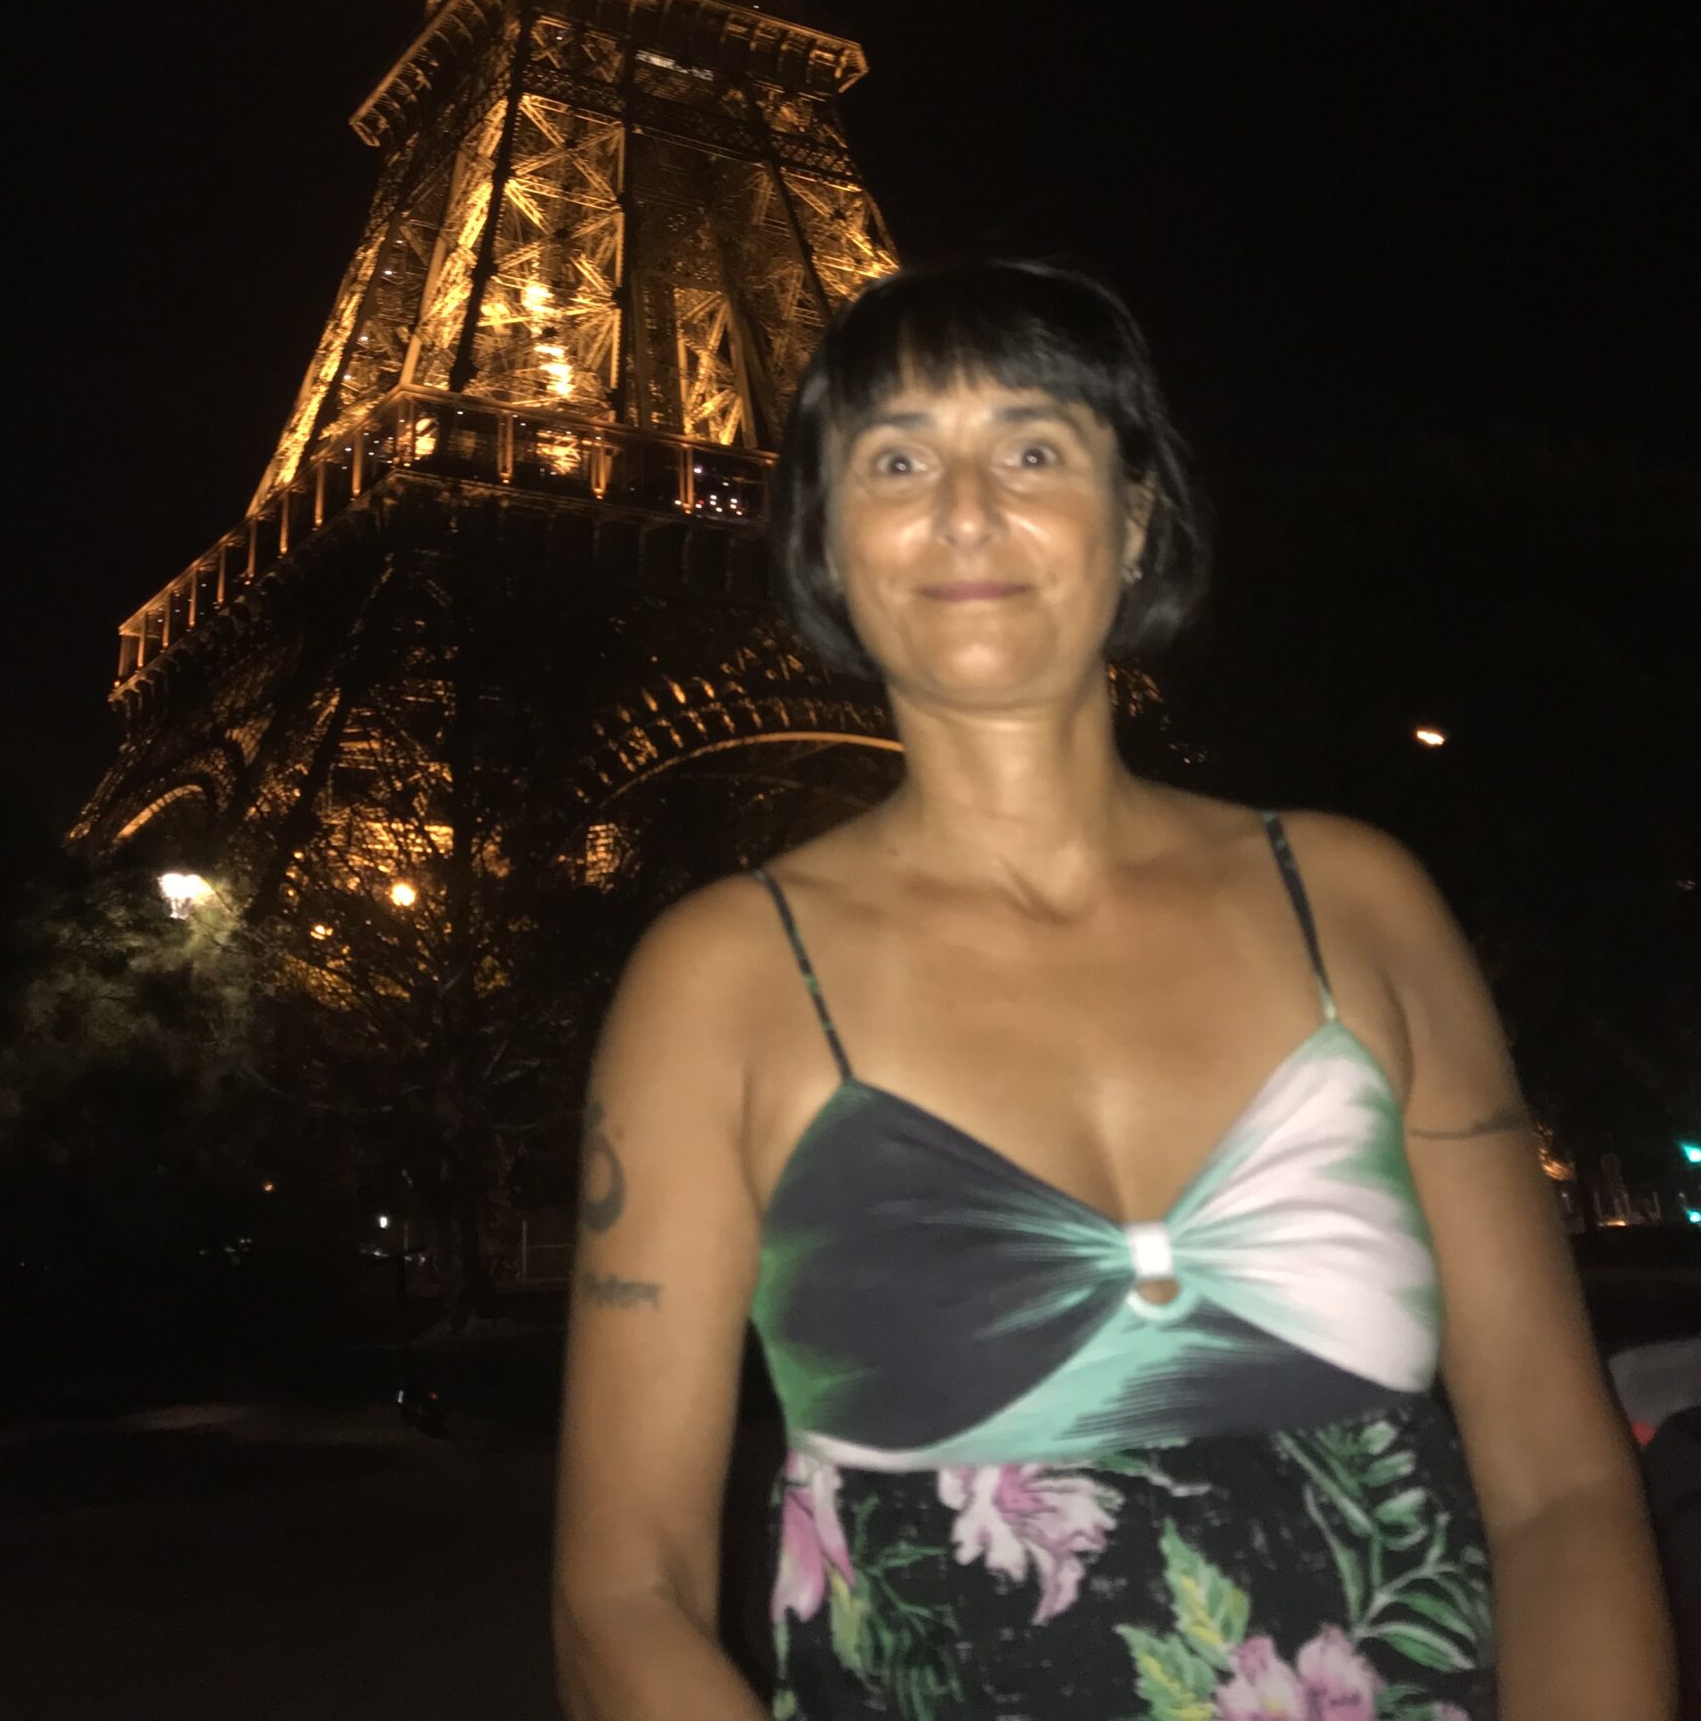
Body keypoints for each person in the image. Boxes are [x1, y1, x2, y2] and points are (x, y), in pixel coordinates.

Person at [552, 259, 1673, 1718]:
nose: (966, 511)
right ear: (825, 541)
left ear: (1136, 516)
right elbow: (622, 1595)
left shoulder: (1358, 907)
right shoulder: (723, 983)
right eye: (898, 461)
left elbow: (1563, 1486)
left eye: (1032, 451)